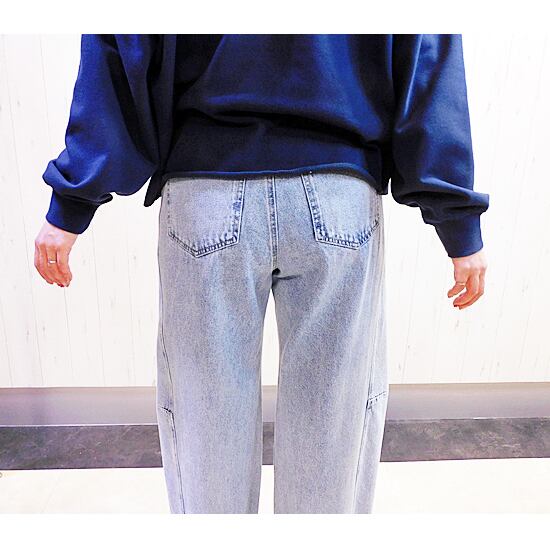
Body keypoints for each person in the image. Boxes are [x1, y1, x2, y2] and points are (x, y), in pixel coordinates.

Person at [34, 34, 489, 513]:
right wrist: (457, 219)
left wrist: (73, 199)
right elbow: (427, 47)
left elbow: (120, 41)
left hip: (207, 193)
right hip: (338, 194)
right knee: (334, 427)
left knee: (204, 426)